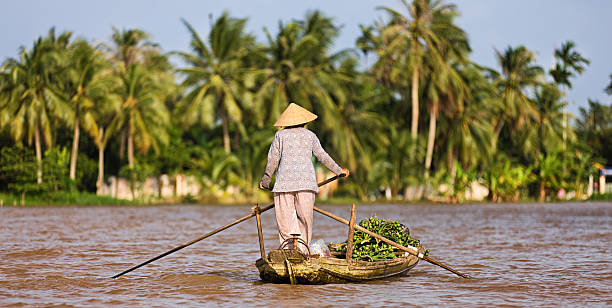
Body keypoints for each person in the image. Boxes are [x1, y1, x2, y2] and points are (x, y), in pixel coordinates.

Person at [259, 103, 349, 254]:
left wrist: (266, 182)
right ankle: (302, 251)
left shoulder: (279, 136)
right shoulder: (310, 136)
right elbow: (323, 156)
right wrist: (339, 171)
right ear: (304, 122)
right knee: (305, 220)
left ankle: (290, 252)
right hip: (306, 185)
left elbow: (272, 160)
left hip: (284, 185)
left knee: (286, 222)